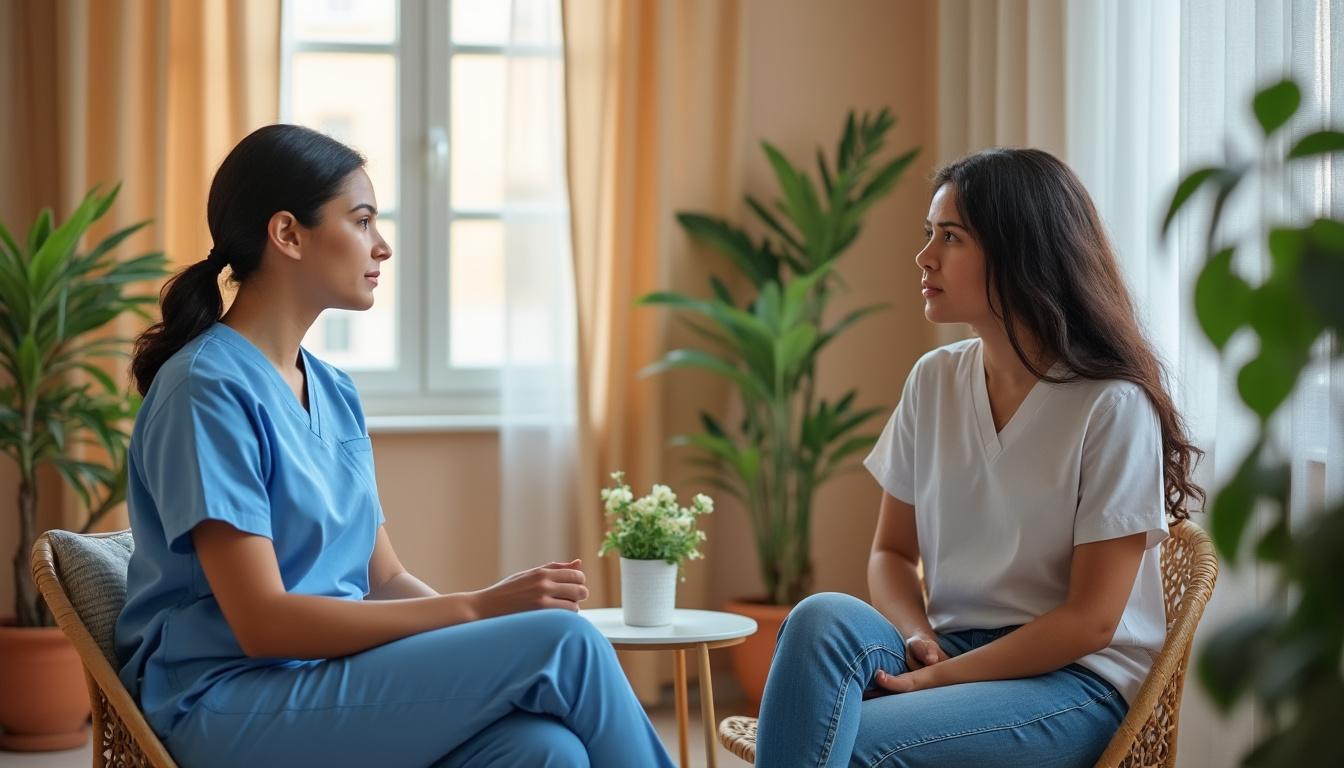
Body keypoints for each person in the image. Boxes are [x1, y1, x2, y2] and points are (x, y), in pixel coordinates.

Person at [114, 124, 674, 768]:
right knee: (563, 645)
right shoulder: (204, 389)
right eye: (362, 221)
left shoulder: (333, 389)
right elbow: (262, 623)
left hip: (320, 682)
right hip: (221, 701)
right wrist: (476, 608)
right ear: (288, 234)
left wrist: (488, 623)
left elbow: (384, 578)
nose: (382, 246)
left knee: (546, 750)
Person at [753, 148, 1205, 767]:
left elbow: (1091, 622)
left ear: (1020, 253)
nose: (924, 256)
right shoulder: (934, 379)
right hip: (949, 642)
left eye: (951, 237)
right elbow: (891, 553)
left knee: (842, 745)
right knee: (819, 618)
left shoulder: (1111, 405)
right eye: (928, 234)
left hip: (1072, 681)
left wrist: (942, 680)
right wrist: (918, 638)